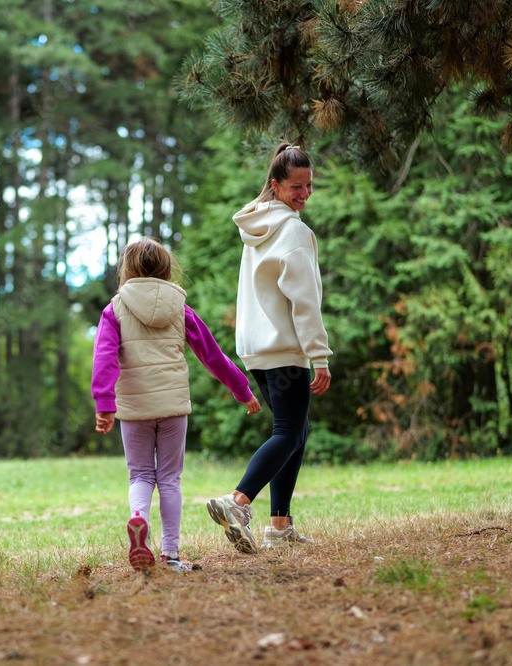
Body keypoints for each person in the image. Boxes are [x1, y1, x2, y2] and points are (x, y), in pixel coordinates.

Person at [91, 237, 261, 572]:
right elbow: (212, 355)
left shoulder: (114, 310)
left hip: (135, 409)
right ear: (169, 270)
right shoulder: (180, 308)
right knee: (169, 479)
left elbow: (104, 358)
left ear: (126, 270)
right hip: (172, 406)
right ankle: (171, 556)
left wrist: (104, 403)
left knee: (139, 474)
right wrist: (242, 389)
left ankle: (139, 519)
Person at [206, 142, 332, 553]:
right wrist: (320, 357)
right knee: (289, 430)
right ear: (276, 186)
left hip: (255, 349)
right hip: (283, 347)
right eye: (296, 186)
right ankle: (238, 502)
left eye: (310, 185)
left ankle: (280, 525)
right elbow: (305, 301)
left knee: (297, 430)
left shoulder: (256, 227)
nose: (305, 194)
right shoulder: (293, 231)